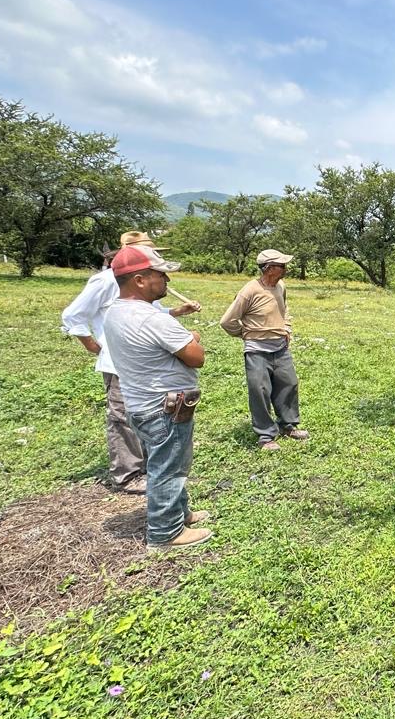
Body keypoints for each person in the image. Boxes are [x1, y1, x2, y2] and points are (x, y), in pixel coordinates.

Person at [60, 231, 200, 488]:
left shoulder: (143, 286)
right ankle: (129, 474)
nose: (155, 257)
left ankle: (152, 470)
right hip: (120, 364)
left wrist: (177, 312)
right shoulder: (105, 281)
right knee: (123, 417)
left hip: (147, 363)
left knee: (153, 418)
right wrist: (94, 346)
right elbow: (72, 315)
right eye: (148, 251)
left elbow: (148, 315)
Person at [102, 245, 211, 552]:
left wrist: (184, 337)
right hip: (165, 407)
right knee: (169, 467)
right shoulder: (152, 319)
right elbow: (196, 357)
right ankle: (166, 532)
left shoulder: (116, 312)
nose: (166, 281)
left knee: (165, 460)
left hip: (141, 403)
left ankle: (180, 513)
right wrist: (192, 339)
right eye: (160, 274)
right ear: (139, 280)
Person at [219, 249, 309, 451]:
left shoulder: (280, 286)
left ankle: (288, 425)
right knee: (260, 390)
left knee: (289, 384)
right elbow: (227, 321)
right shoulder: (250, 290)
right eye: (281, 266)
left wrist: (286, 327)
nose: (285, 269)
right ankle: (266, 436)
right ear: (268, 268)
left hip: (280, 346)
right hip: (257, 349)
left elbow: (284, 310)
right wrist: (246, 333)